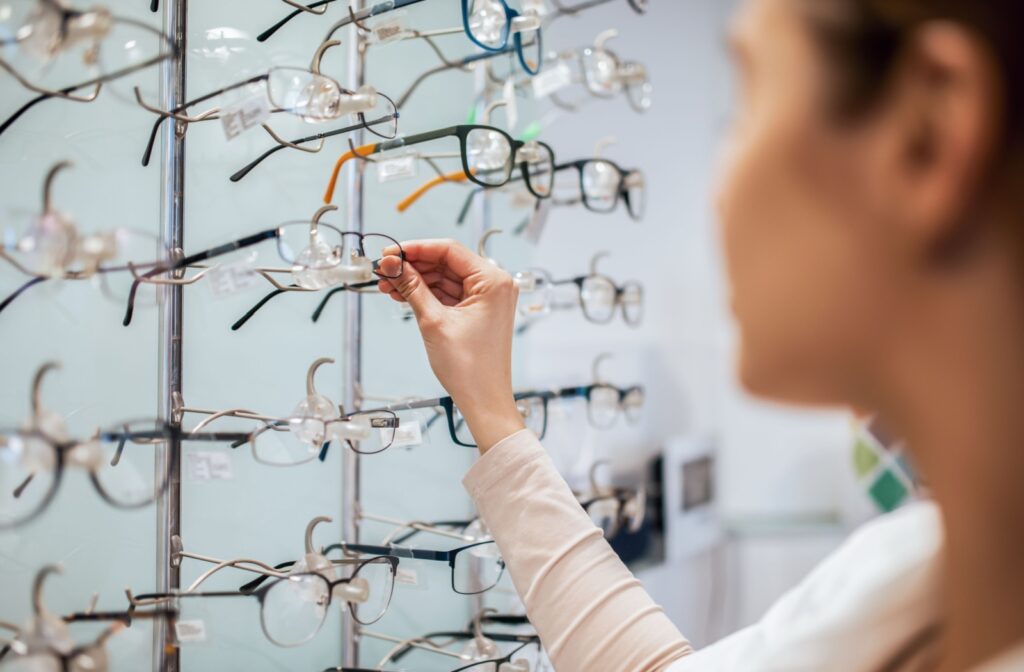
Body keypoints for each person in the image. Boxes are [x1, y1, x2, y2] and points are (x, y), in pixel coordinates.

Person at [375, 0, 1024, 669]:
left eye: (750, 98)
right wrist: (491, 409)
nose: (718, 194)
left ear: (928, 136)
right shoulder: (919, 568)